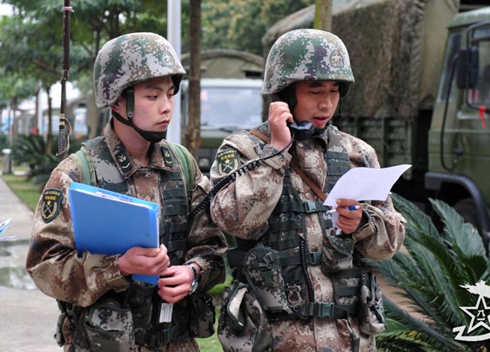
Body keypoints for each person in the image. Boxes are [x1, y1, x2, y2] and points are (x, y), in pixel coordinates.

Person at [26, 33, 227, 351]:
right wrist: (118, 267)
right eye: (152, 96)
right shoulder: (77, 174)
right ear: (117, 101)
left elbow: (212, 247)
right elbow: (44, 268)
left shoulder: (183, 166)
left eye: (170, 95)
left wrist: (193, 273)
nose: (166, 107)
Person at [210, 29, 406, 351]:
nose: (326, 103)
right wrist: (276, 152)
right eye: (315, 91)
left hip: (347, 337)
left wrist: (363, 224)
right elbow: (233, 221)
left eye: (334, 91)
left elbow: (390, 243)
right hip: (273, 338)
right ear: (285, 95)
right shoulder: (244, 150)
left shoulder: (358, 154)